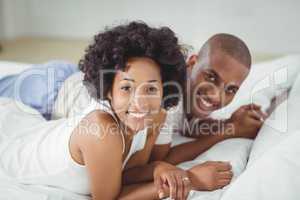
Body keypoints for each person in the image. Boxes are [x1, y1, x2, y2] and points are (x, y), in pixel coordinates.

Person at [0, 21, 210, 200]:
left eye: (151, 88)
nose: (140, 103)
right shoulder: (101, 129)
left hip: (31, 127)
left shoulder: (153, 116)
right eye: (127, 88)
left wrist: (158, 168)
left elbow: (124, 173)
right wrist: (190, 180)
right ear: (108, 90)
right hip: (7, 139)